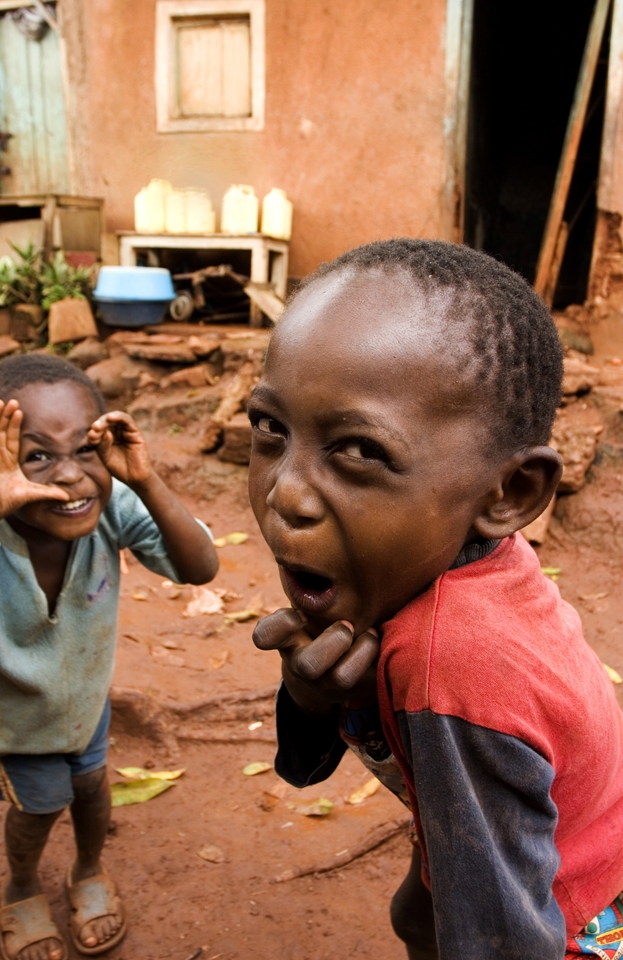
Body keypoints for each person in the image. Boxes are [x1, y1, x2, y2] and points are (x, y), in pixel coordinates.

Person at [247, 239, 623, 960]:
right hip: (565, 854)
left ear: (508, 494)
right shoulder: (457, 564)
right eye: (271, 429)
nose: (284, 494)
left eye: (358, 449)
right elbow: (304, 766)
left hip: (571, 918)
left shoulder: (455, 661)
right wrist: (313, 700)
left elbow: (502, 940)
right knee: (417, 914)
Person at [0, 354, 218, 960]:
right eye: (38, 455)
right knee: (41, 805)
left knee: (91, 788)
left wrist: (143, 479)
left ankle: (88, 869)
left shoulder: (111, 507)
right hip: (12, 719)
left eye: (85, 449)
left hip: (85, 702)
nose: (70, 478)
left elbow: (200, 567)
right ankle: (20, 886)